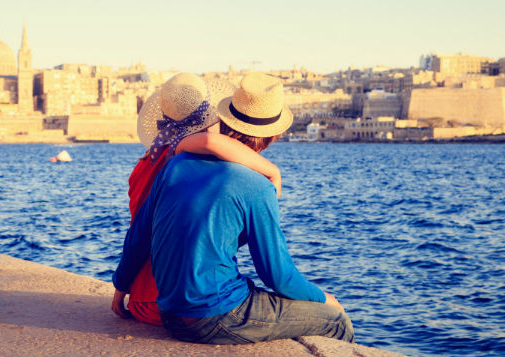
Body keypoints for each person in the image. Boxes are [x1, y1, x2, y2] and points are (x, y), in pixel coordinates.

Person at [113, 72, 354, 344]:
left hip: (168, 312)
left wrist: (120, 286)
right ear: (273, 136)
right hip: (214, 318)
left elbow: (138, 237)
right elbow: (278, 276)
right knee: (336, 322)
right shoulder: (256, 186)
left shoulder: (174, 166)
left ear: (225, 119)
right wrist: (326, 299)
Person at [113, 73, 283, 326]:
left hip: (140, 300)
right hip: (172, 303)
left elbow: (137, 233)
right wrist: (273, 172)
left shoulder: (144, 164)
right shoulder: (193, 166)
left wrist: (121, 287)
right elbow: (210, 141)